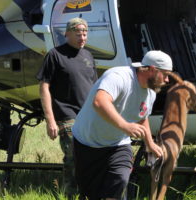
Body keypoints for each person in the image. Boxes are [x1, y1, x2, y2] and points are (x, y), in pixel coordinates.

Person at [72, 50, 173, 200]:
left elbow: (142, 117)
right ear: (152, 69)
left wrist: (150, 144)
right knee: (90, 194)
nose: (167, 80)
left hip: (118, 145)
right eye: (165, 74)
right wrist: (125, 126)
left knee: (120, 180)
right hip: (87, 143)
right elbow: (99, 102)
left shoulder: (151, 93)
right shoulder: (119, 77)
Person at [36, 17, 98, 185]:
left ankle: (89, 193)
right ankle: (71, 194)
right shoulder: (55, 55)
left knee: (92, 157)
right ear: (67, 34)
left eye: (85, 34)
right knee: (74, 155)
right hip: (67, 115)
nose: (82, 38)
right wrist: (50, 120)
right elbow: (44, 87)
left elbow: (94, 88)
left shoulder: (88, 56)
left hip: (88, 116)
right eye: (78, 34)